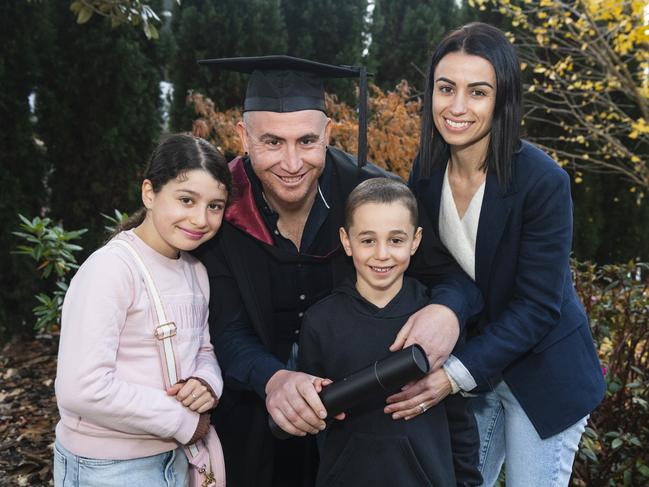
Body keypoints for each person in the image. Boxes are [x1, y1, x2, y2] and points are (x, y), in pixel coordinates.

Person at [194, 55, 482, 487]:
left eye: (307, 141)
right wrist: (270, 378)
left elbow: (455, 280)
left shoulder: (369, 197)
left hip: (362, 410)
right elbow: (226, 327)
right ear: (243, 137)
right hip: (254, 401)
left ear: (329, 133)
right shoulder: (219, 205)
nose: (291, 163)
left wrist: (448, 312)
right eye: (272, 142)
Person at [385, 23, 606, 486]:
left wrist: (451, 378)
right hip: (477, 368)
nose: (457, 107)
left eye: (478, 91)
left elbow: (538, 306)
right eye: (446, 88)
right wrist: (447, 308)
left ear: (502, 99)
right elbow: (436, 268)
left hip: (544, 373)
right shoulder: (425, 173)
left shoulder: (543, 182)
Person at [53, 134, 232, 486]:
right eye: (186, 200)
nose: (200, 218)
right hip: (109, 468)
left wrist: (206, 383)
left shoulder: (195, 271)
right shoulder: (112, 269)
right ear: (149, 193)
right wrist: (183, 421)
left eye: (215, 206)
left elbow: (204, 350)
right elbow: (82, 388)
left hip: (175, 459)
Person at [299, 177, 482, 487]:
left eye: (396, 240)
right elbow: (312, 422)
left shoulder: (437, 323)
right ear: (346, 241)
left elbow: (459, 418)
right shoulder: (320, 321)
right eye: (368, 240)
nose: (382, 254)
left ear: (415, 239)